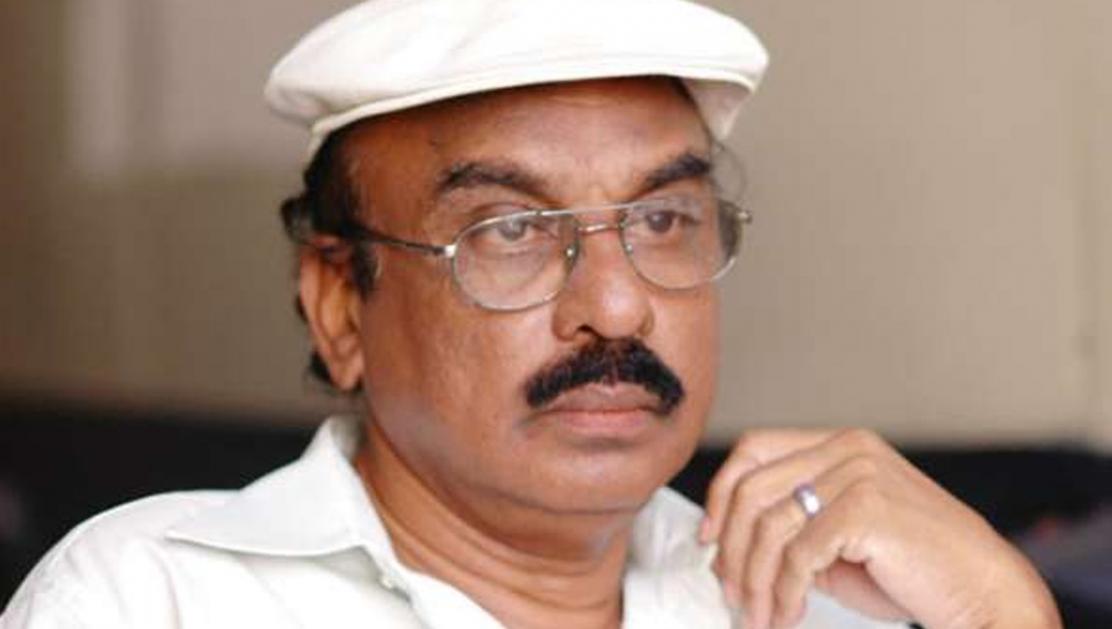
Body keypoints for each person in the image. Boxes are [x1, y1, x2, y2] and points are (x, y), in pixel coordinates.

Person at [1, 0, 1061, 627]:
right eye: (508, 230)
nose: (617, 306)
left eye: (661, 219)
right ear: (338, 306)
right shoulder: (154, 600)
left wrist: (1002, 608)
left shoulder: (814, 600)